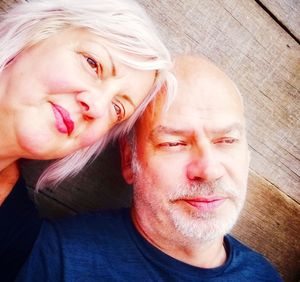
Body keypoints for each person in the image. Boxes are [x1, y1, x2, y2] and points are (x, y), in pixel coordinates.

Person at [17, 55, 282, 281]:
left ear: (247, 155)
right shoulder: (57, 261)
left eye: (227, 140)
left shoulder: (264, 275)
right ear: (129, 160)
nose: (209, 169)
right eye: (174, 143)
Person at [0, 0, 174, 280]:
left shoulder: (16, 238)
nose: (97, 106)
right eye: (93, 63)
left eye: (117, 109)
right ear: (35, 33)